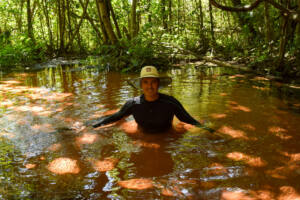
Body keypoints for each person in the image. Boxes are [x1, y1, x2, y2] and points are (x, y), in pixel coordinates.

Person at [92, 66, 214, 133]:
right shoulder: (133, 104)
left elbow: (186, 118)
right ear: (141, 85)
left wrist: (208, 130)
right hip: (142, 135)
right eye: (145, 82)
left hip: (167, 134)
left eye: (153, 82)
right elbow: (116, 117)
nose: (149, 86)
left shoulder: (170, 102)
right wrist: (95, 126)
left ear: (158, 83)